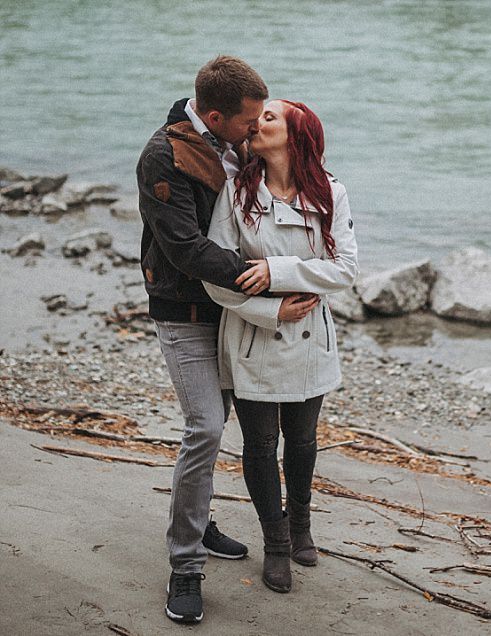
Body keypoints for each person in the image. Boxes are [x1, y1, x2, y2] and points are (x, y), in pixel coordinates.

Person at [137, 55, 273, 623]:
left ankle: (201, 520)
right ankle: (184, 567)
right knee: (206, 428)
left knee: (219, 429)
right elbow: (187, 249)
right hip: (185, 312)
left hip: (232, 312)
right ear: (215, 115)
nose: (256, 131)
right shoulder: (162, 156)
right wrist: (269, 282)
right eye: (248, 122)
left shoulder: (234, 144)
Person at [203, 99, 358, 593]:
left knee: (304, 440)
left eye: (269, 117)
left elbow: (346, 270)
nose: (256, 122)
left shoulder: (331, 193)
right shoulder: (236, 191)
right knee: (261, 444)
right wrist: (271, 309)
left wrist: (277, 270)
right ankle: (275, 545)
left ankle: (301, 526)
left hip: (313, 340)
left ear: (296, 136)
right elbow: (217, 278)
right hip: (253, 338)